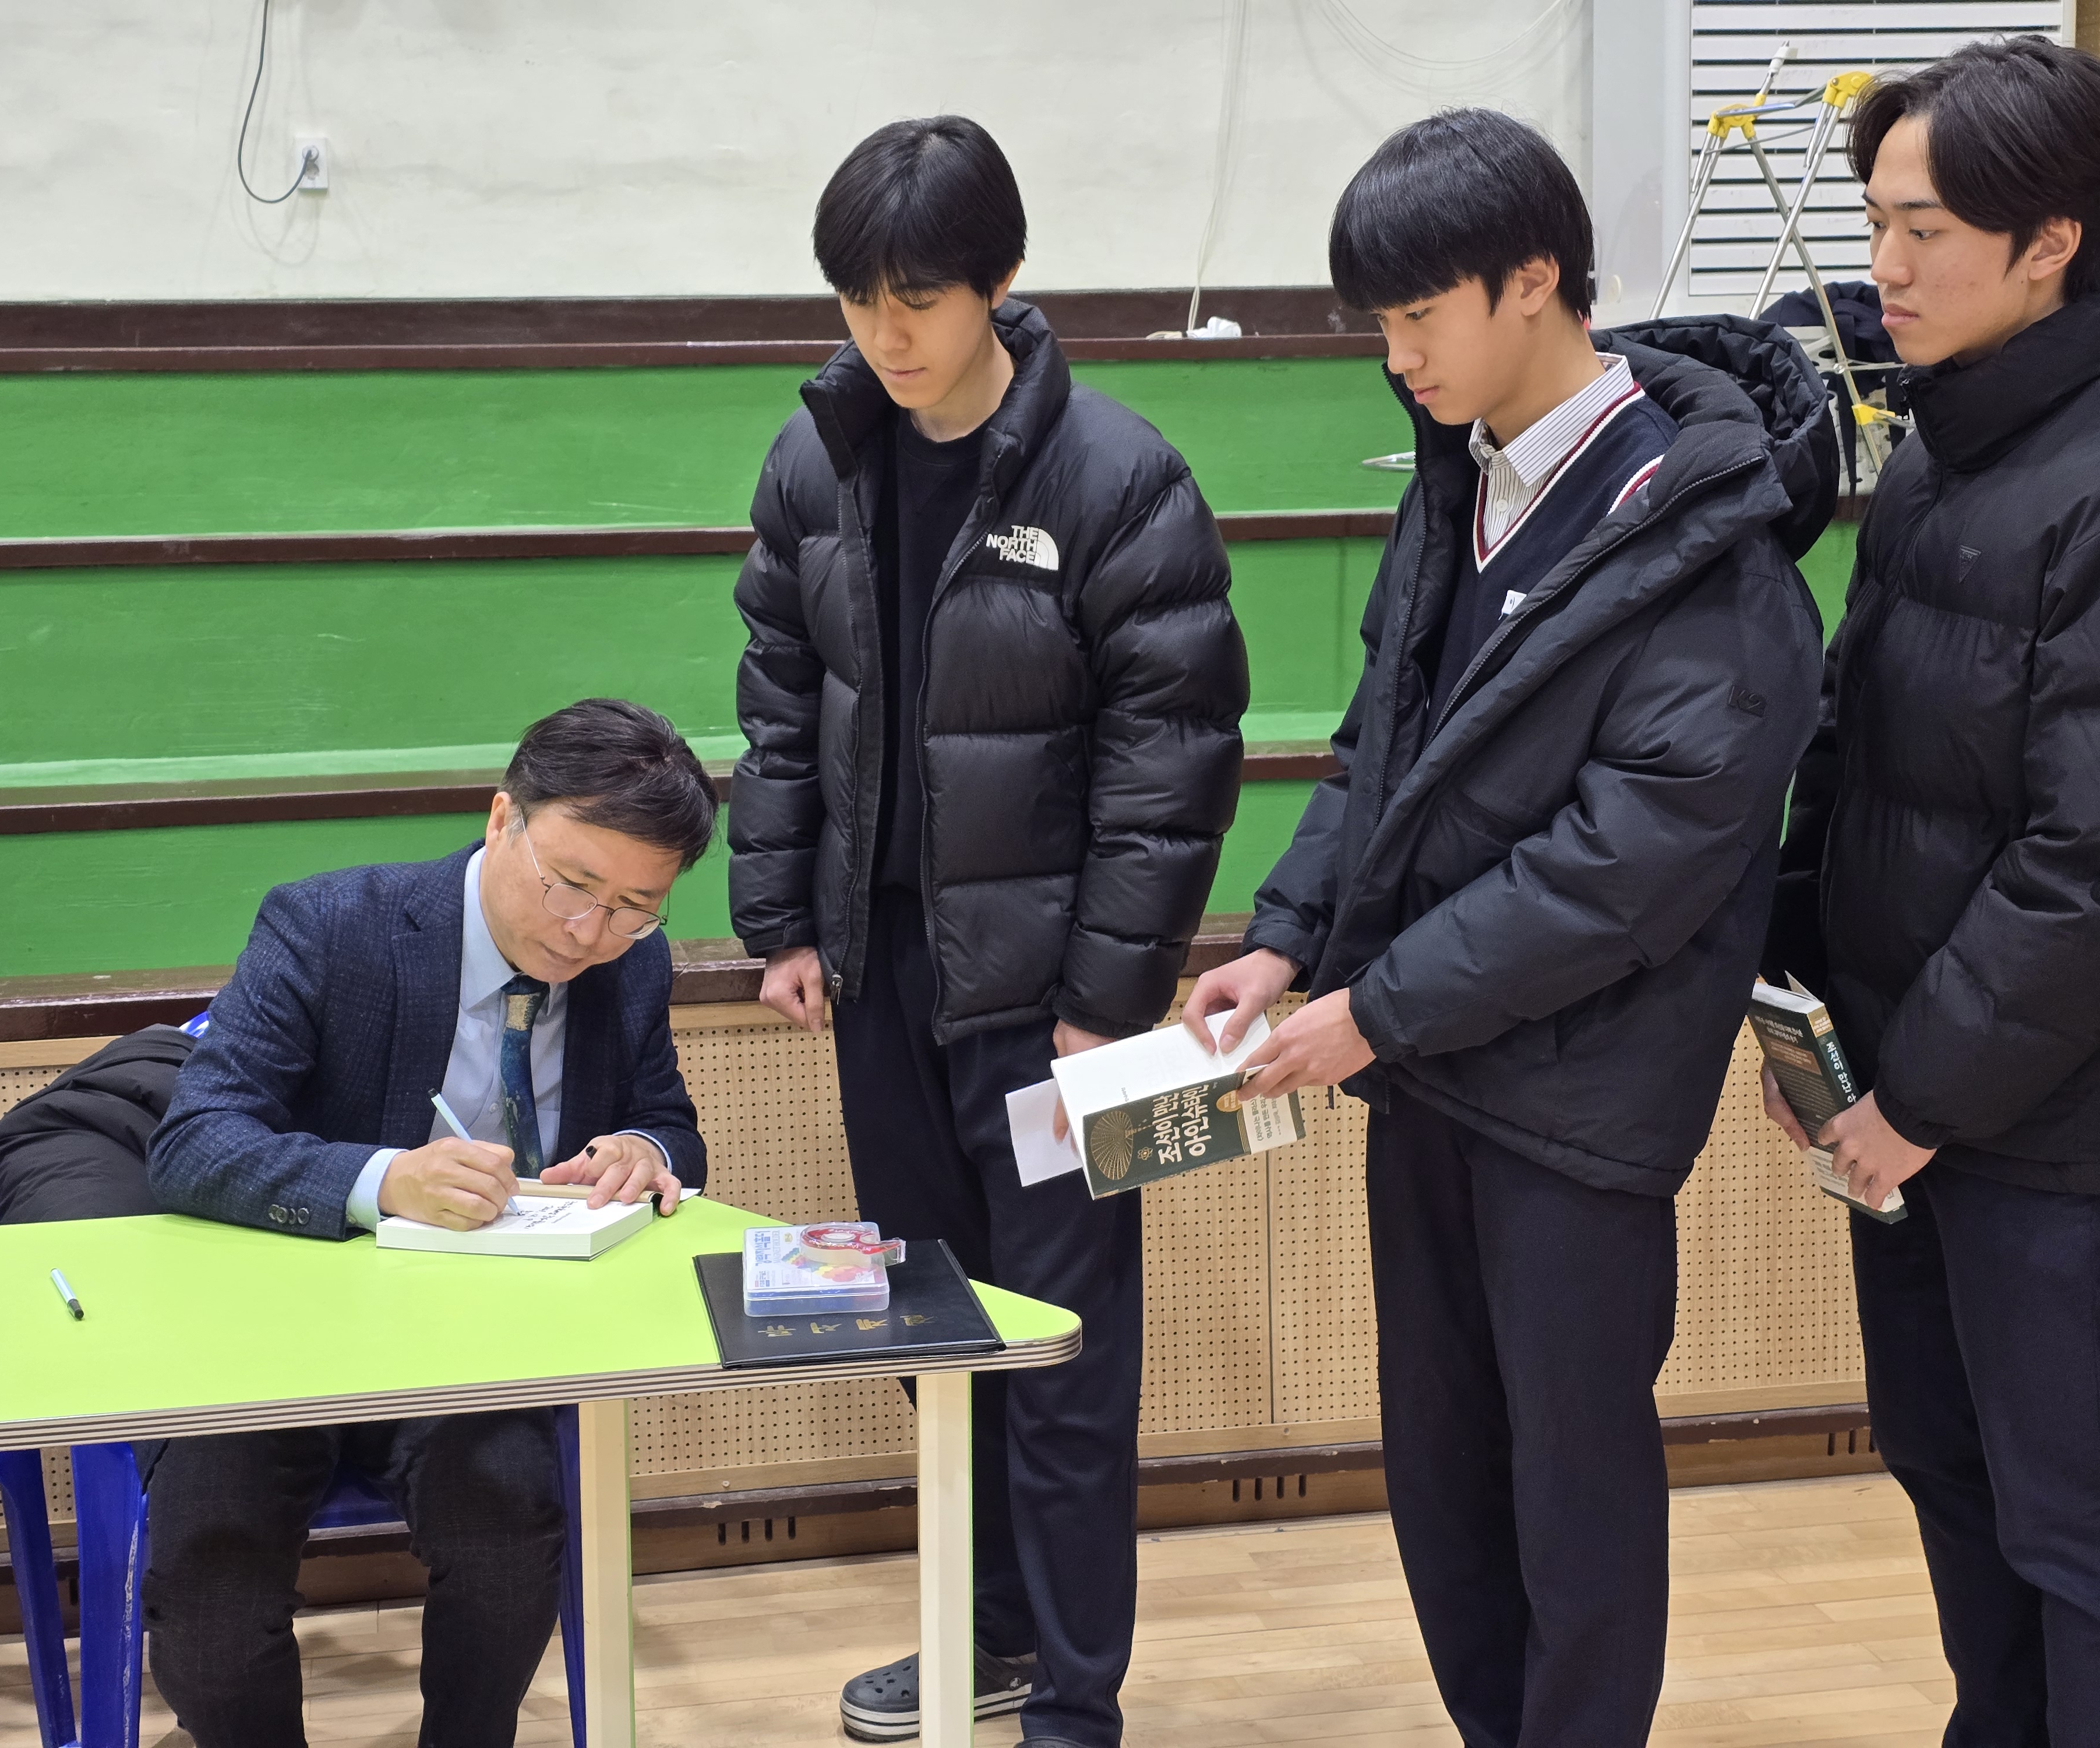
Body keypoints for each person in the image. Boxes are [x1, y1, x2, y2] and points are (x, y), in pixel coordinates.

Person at [1183, 110, 1834, 1744]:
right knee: (1447, 1478)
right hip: (1428, 1072)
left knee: (1573, 1492)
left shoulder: (1712, 539)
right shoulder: (1457, 478)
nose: (1399, 359)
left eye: (1421, 318)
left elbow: (1629, 865)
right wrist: (1285, 936)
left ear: (1535, 279)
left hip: (1577, 1106)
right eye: (1381, 327)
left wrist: (1373, 1010)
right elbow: (1378, 750)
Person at [729, 115, 1246, 1748]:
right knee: (929, 1332)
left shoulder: (1119, 475)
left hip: (1051, 1013)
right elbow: (783, 702)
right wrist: (781, 916)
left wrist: (1107, 995)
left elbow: (1174, 760)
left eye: (920, 298)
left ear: (1003, 285)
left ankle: (1076, 1701)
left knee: (1071, 1364)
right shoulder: (816, 455)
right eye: (857, 300)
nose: (886, 333)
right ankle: (985, 1639)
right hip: (879, 979)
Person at [1761, 37, 2100, 1745]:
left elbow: (2094, 858)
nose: (1885, 266)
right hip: (1907, 1117)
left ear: (2051, 240)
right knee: (1955, 1485)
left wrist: (1924, 1092)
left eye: (1926, 229)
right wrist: (1791, 1006)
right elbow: (1848, 749)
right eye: (1878, 219)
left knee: (2082, 1538)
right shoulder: (1938, 445)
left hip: (2054, 1141)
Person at [144, 697, 715, 1748]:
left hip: (473, 1350)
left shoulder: (631, 966)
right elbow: (194, 1142)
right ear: (503, 819)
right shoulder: (330, 927)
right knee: (208, 1578)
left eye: (637, 906)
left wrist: (648, 1153)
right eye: (571, 884)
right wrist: (382, 1181)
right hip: (279, 1337)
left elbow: (671, 1125)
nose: (590, 931)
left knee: (509, 1531)